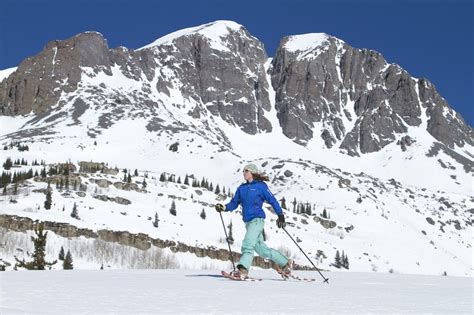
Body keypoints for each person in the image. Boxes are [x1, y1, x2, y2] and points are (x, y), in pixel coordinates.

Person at [215, 163, 293, 280]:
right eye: (243, 171)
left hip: (257, 220)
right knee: (262, 250)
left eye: (246, 171)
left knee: (247, 244)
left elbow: (272, 200)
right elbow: (234, 203)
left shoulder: (260, 186)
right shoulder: (242, 188)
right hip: (248, 222)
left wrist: (280, 215)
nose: (244, 173)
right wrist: (224, 207)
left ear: (252, 172)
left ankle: (242, 270)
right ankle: (285, 263)